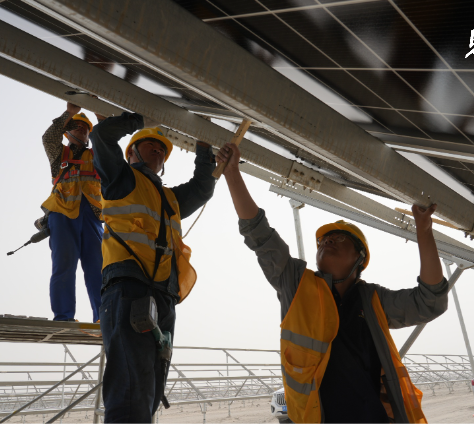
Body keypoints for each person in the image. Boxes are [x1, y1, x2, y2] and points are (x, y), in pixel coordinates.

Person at [218, 142, 448, 424]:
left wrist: (424, 231)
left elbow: (430, 301)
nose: (327, 242)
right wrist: (232, 174)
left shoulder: (372, 300)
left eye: (339, 239)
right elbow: (260, 235)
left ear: (359, 259)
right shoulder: (296, 285)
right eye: (324, 241)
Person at [90, 113, 216, 423]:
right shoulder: (120, 178)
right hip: (128, 286)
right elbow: (101, 136)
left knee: (151, 387)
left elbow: (202, 188)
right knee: (131, 387)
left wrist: (204, 149)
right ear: (131, 152)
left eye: (162, 149)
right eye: (150, 145)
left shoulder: (170, 198)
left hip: (163, 294)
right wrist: (144, 116)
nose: (158, 150)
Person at [40, 102, 104, 322]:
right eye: (76, 125)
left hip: (92, 217)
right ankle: (63, 317)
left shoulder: (98, 156)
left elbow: (109, 146)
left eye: (85, 128)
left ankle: (103, 317)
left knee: (98, 269)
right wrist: (69, 113)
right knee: (64, 267)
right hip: (62, 214)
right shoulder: (60, 154)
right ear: (67, 131)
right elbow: (49, 138)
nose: (81, 129)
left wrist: (102, 118)